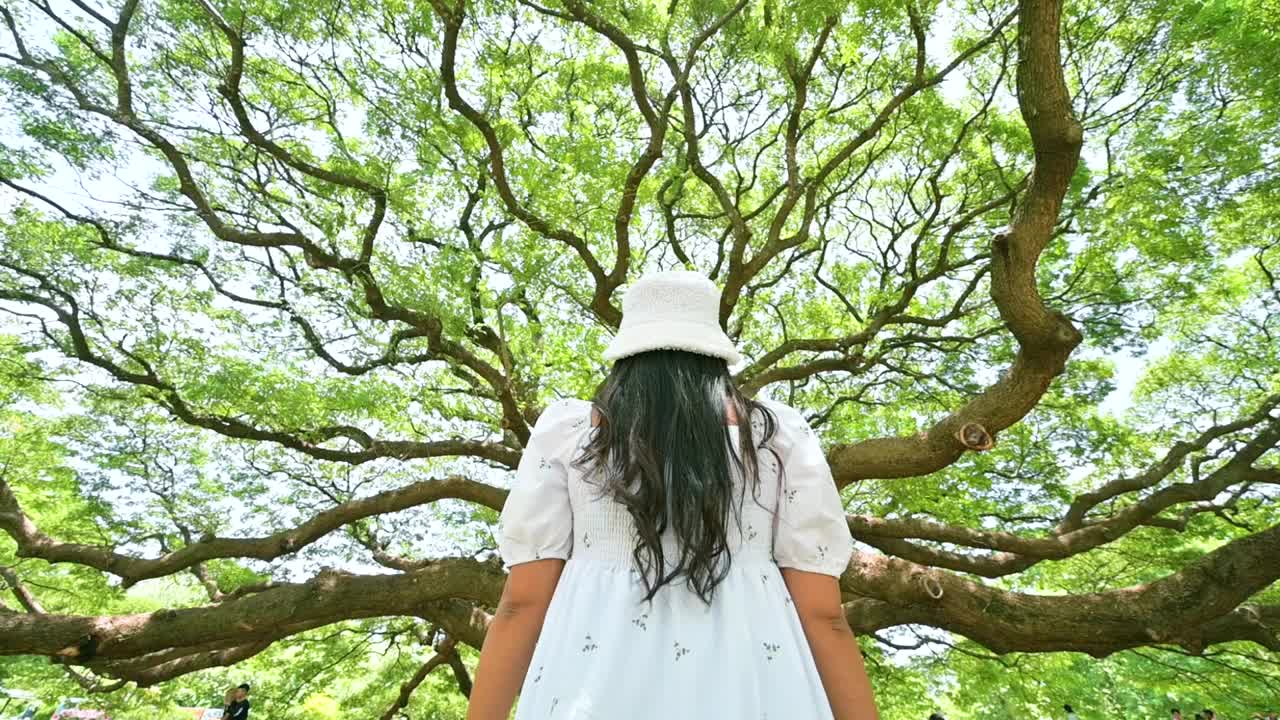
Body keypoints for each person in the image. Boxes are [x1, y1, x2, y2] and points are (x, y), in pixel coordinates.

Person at [467, 270, 878, 719]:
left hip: (592, 683)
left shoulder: (572, 433)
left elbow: (521, 605)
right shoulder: (775, 438)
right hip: (753, 688)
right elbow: (825, 616)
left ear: (625, 353)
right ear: (716, 352)